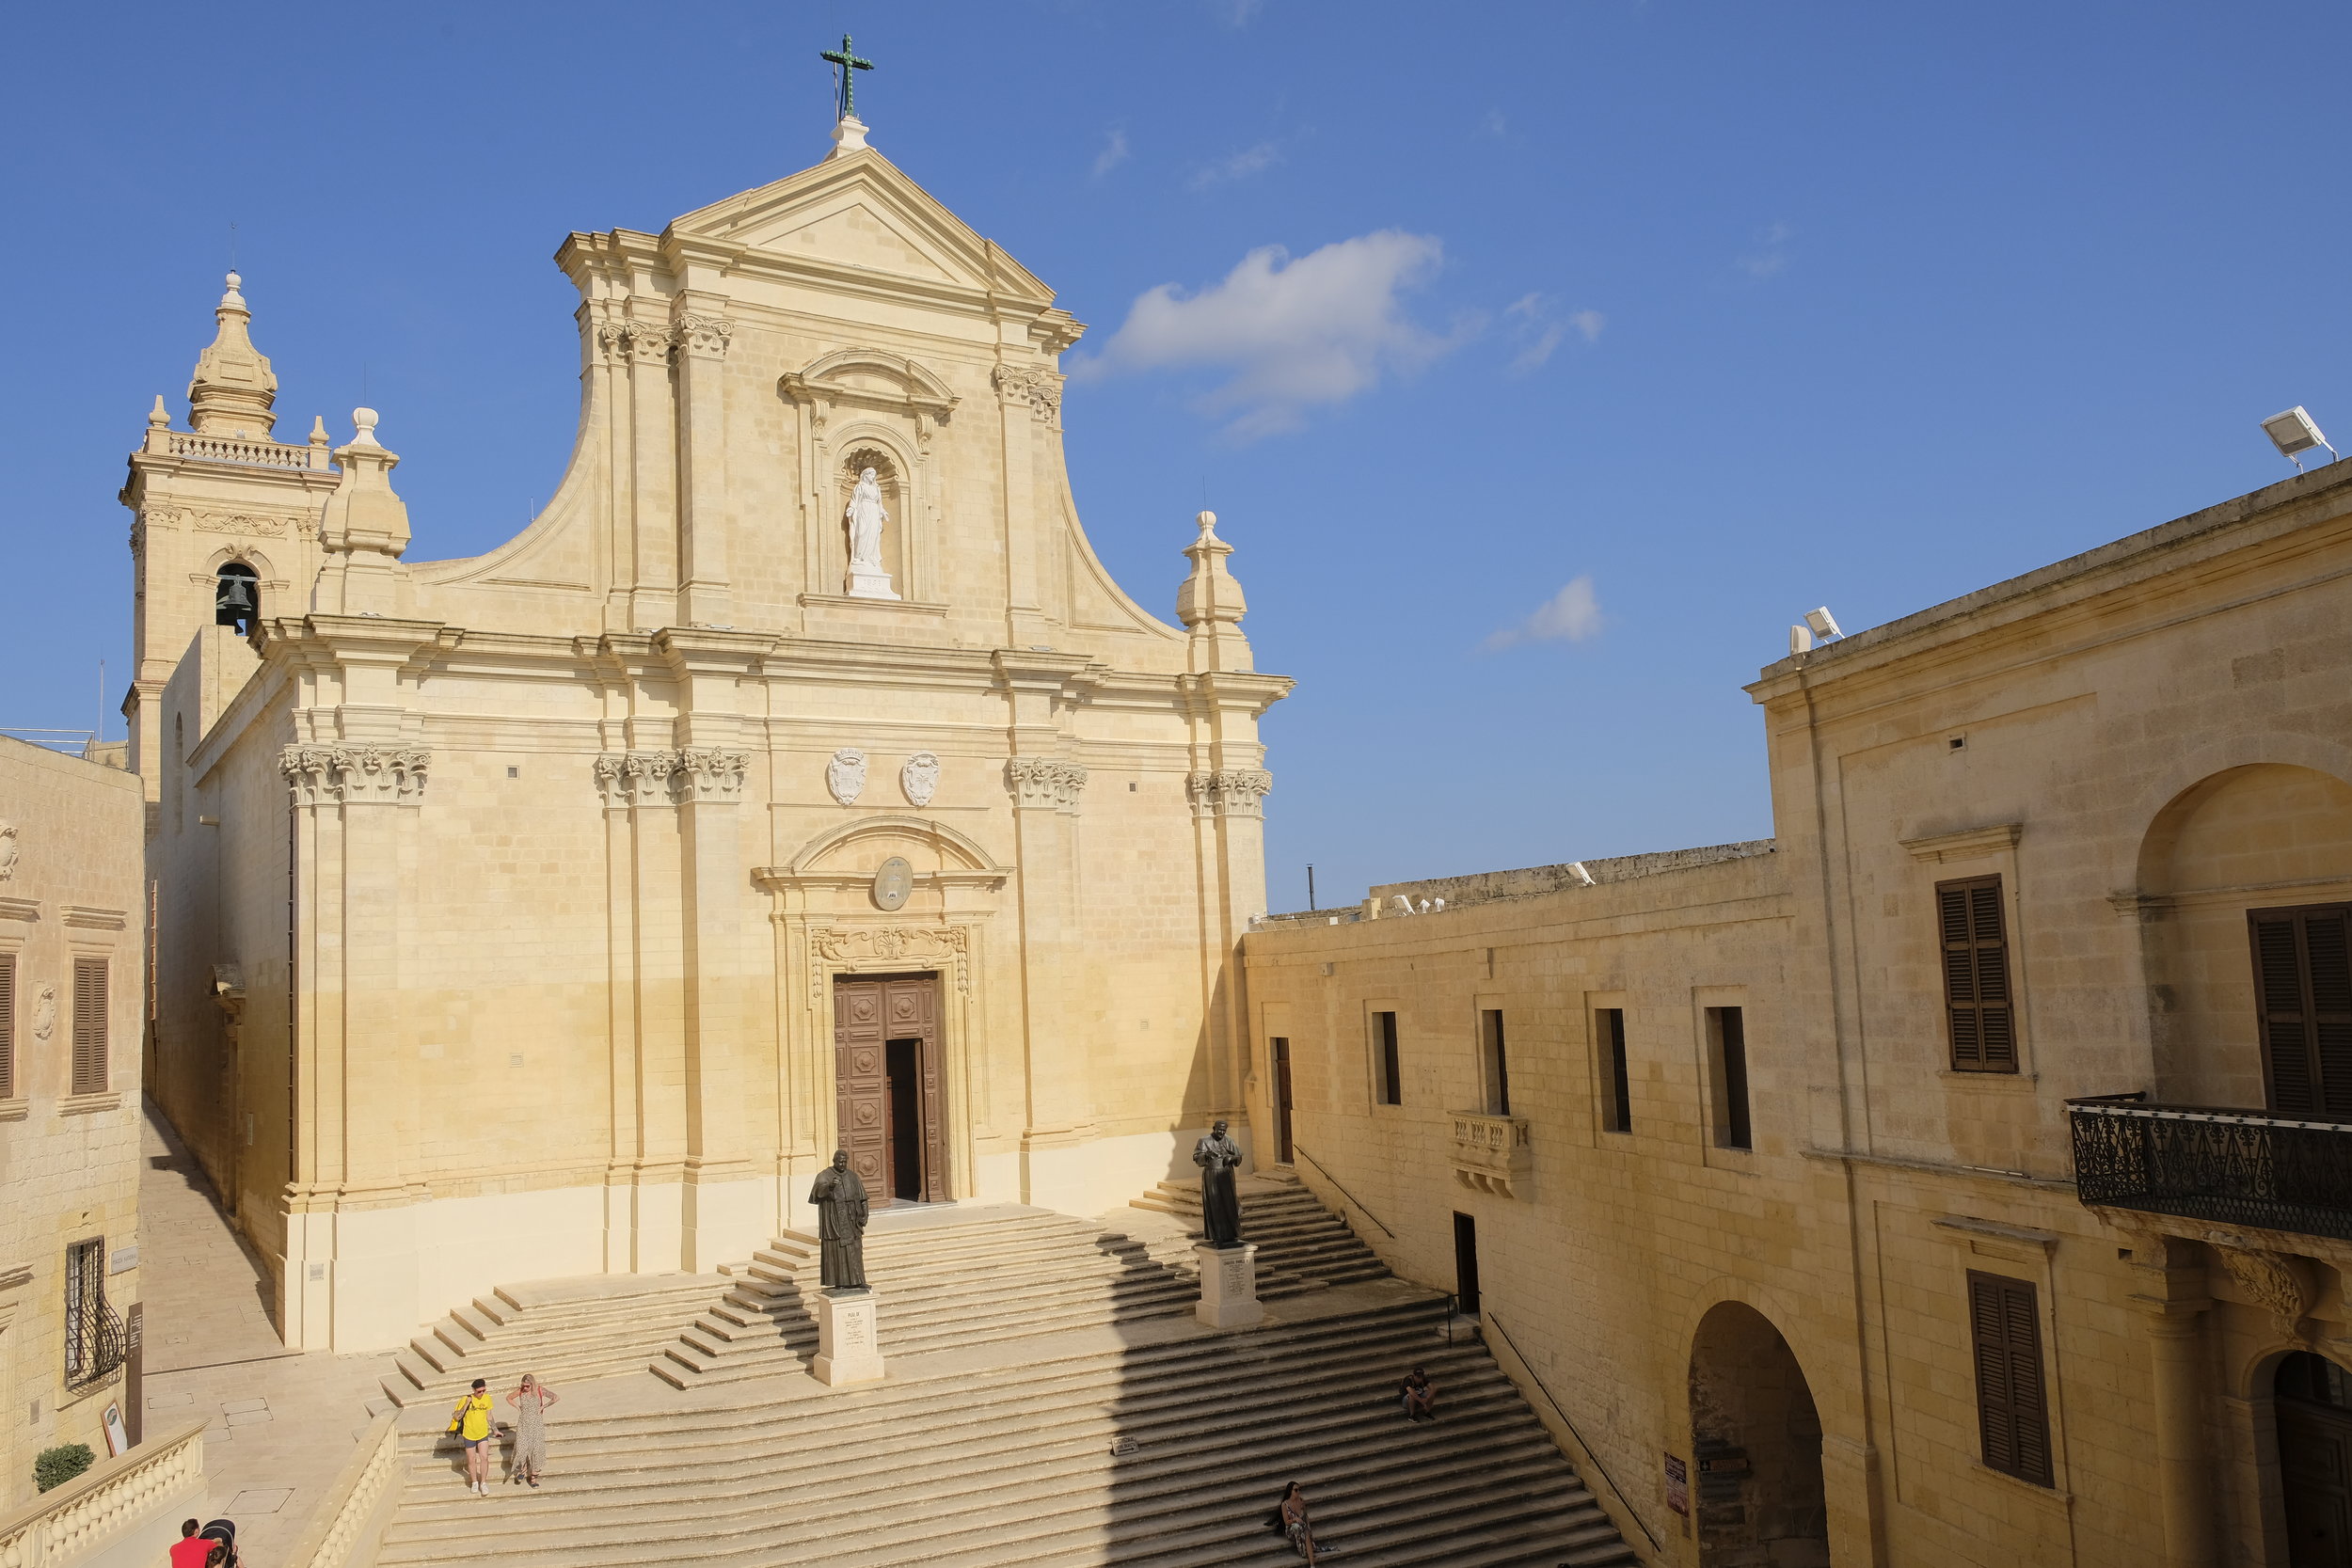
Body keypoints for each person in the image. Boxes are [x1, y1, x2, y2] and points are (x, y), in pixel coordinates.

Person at [505, 1373, 558, 1487]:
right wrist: (517, 1407)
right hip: (523, 1423)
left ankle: (534, 1477)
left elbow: (555, 1397)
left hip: (536, 1424)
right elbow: (508, 1398)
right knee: (522, 1447)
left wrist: (543, 1406)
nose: (525, 1388)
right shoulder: (520, 1391)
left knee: (536, 1449)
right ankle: (523, 1469)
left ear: (532, 1384)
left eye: (527, 1386)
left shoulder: (540, 1390)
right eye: (523, 1385)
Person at [448, 1377, 498, 1495]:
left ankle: (483, 1482)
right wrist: (466, 1404)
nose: (481, 1393)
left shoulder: (487, 1398)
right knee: (471, 1459)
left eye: (483, 1390)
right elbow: (457, 1417)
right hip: (469, 1434)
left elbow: (489, 1416)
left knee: (484, 1457)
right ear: (474, 1390)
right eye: (479, 1391)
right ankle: (474, 1482)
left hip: (482, 1433)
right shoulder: (465, 1399)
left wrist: (495, 1430)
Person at [1264, 1481, 1319, 1564]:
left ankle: (1311, 1563)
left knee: (1305, 1532)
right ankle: (1305, 1553)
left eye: (1299, 1490)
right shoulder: (1285, 1504)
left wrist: (1308, 1526)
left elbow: (1305, 1516)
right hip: (1291, 1529)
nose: (1298, 1492)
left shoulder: (1301, 1501)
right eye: (1296, 1490)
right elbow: (1286, 1522)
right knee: (1298, 1527)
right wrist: (1295, 1519)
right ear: (1290, 1491)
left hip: (1302, 1526)